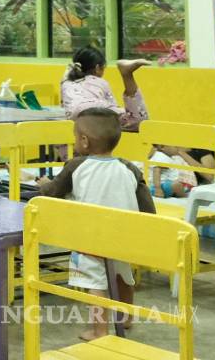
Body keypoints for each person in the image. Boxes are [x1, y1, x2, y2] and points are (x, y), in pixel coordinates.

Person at [38, 108, 156, 341]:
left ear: (84, 141)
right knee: (123, 276)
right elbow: (148, 209)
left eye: (74, 136)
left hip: (89, 238)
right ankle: (126, 318)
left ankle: (99, 330)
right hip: (123, 236)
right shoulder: (129, 167)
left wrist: (43, 183)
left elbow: (53, 192)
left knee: (94, 282)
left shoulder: (75, 166)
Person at [61, 47, 150, 131]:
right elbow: (112, 106)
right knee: (137, 120)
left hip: (72, 116)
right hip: (94, 109)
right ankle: (127, 74)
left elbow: (65, 105)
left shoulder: (66, 82)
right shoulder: (99, 81)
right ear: (97, 68)